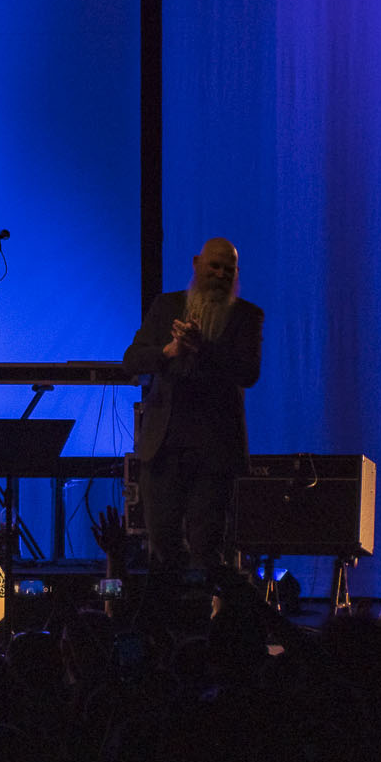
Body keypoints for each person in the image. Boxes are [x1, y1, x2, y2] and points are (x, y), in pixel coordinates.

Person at [122, 236, 263, 592]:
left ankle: (207, 634)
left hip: (214, 451)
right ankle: (167, 633)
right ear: (196, 263)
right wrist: (169, 350)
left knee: (206, 550)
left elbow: (248, 372)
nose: (219, 274)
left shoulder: (247, 315)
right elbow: (132, 360)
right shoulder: (165, 305)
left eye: (227, 270)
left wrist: (204, 348)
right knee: (163, 547)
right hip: (163, 447)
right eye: (213, 266)